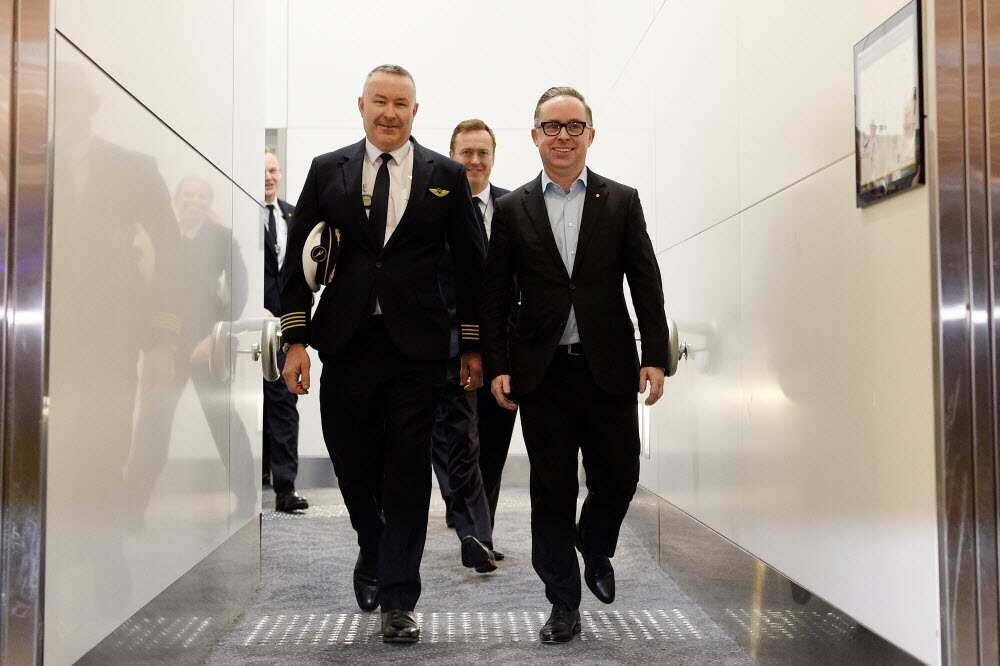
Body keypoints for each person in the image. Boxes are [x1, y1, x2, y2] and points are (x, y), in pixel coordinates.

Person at [280, 64, 485, 644]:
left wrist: (472, 344)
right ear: (362, 105)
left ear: (416, 111)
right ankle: (372, 545)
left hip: (418, 350)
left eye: (401, 103)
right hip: (347, 342)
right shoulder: (328, 170)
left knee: (407, 470)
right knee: (350, 457)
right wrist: (295, 340)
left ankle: (399, 596)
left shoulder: (446, 175)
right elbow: (296, 260)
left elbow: (473, 266)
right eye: (380, 101)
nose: (390, 113)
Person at [480, 86, 668, 644]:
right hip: (543, 374)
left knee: (621, 474)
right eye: (552, 127)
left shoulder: (621, 201)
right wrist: (498, 364)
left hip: (608, 367)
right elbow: (494, 296)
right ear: (535, 135)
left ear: (590, 134)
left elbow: (646, 281)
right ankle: (562, 602)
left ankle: (596, 541)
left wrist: (655, 356)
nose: (563, 136)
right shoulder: (512, 209)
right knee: (552, 490)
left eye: (573, 126)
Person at [430, 119, 513, 572]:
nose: (475, 161)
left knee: (493, 442)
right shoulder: (434, 208)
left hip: (503, 347)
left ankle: (482, 528)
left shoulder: (512, 207)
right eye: (467, 153)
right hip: (450, 344)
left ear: (493, 157)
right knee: (457, 437)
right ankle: (472, 526)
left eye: (483, 153)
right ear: (453, 157)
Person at [263, 149, 308, 513]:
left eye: (273, 170)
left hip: (283, 326)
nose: (268, 177)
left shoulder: (293, 215)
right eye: (262, 171)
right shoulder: (239, 215)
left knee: (283, 403)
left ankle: (285, 486)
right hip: (248, 324)